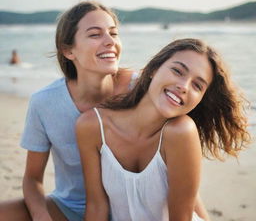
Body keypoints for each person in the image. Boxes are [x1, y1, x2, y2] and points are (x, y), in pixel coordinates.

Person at [76, 38, 251, 221]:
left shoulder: (181, 132)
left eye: (197, 86)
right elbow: (96, 206)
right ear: (153, 69)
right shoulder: (92, 126)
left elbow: (181, 217)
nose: (183, 86)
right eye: (177, 71)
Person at [0, 1, 137, 221]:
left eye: (113, 33)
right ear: (68, 50)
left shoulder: (139, 90)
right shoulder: (44, 102)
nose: (110, 41)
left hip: (132, 210)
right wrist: (40, 215)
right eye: (95, 35)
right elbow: (32, 179)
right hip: (69, 208)